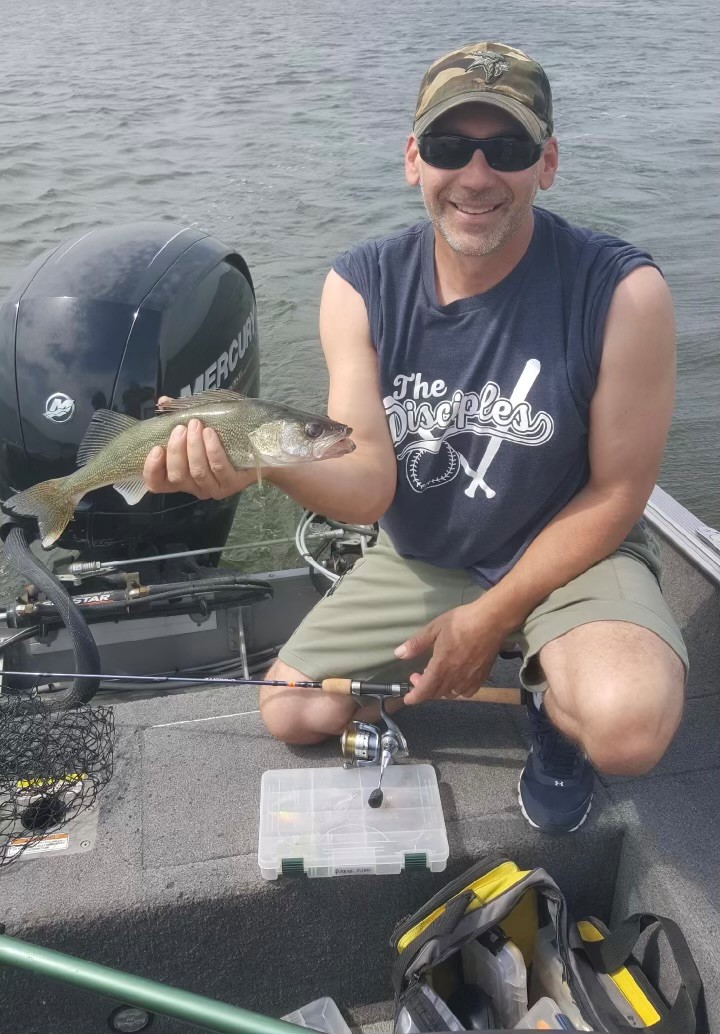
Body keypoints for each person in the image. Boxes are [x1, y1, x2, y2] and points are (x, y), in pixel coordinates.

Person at [143, 42, 688, 833]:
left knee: (626, 724)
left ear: (549, 163)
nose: (475, 175)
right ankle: (462, 665)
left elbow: (617, 494)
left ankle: (551, 710)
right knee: (291, 714)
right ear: (412, 160)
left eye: (506, 149)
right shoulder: (360, 287)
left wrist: (494, 614)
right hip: (425, 548)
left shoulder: (622, 293)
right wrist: (258, 470)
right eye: (446, 147)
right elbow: (367, 483)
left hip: (569, 546)